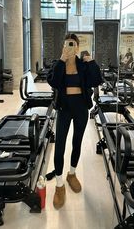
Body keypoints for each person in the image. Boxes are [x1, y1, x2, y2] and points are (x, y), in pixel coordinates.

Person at [47, 33, 102, 209]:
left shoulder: (83, 65)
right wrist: (62, 60)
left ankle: (72, 173)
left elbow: (96, 80)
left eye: (73, 44)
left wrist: (91, 61)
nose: (71, 47)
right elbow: (54, 82)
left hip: (80, 109)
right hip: (64, 109)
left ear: (77, 47)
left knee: (77, 142)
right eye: (68, 44)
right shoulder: (58, 64)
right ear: (64, 46)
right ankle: (59, 184)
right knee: (60, 145)